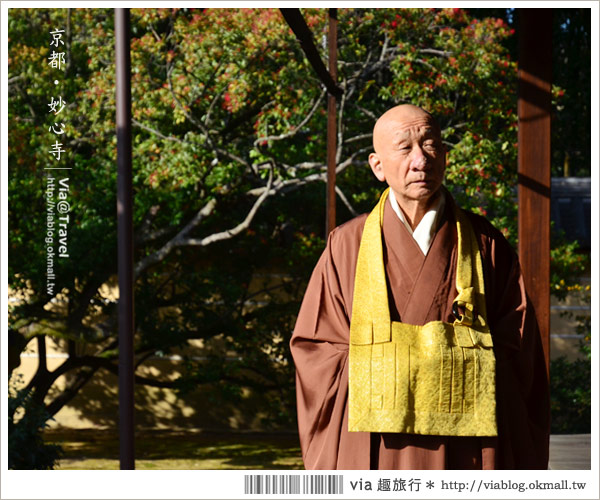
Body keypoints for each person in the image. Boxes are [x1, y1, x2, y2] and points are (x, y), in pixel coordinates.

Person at [290, 104, 550, 470]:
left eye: (429, 146)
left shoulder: (487, 243)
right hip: (377, 440)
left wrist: (444, 365)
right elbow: (316, 348)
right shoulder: (346, 244)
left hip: (465, 441)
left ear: (445, 156)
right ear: (378, 166)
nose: (420, 160)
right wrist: (398, 366)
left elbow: (518, 347)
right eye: (404, 147)